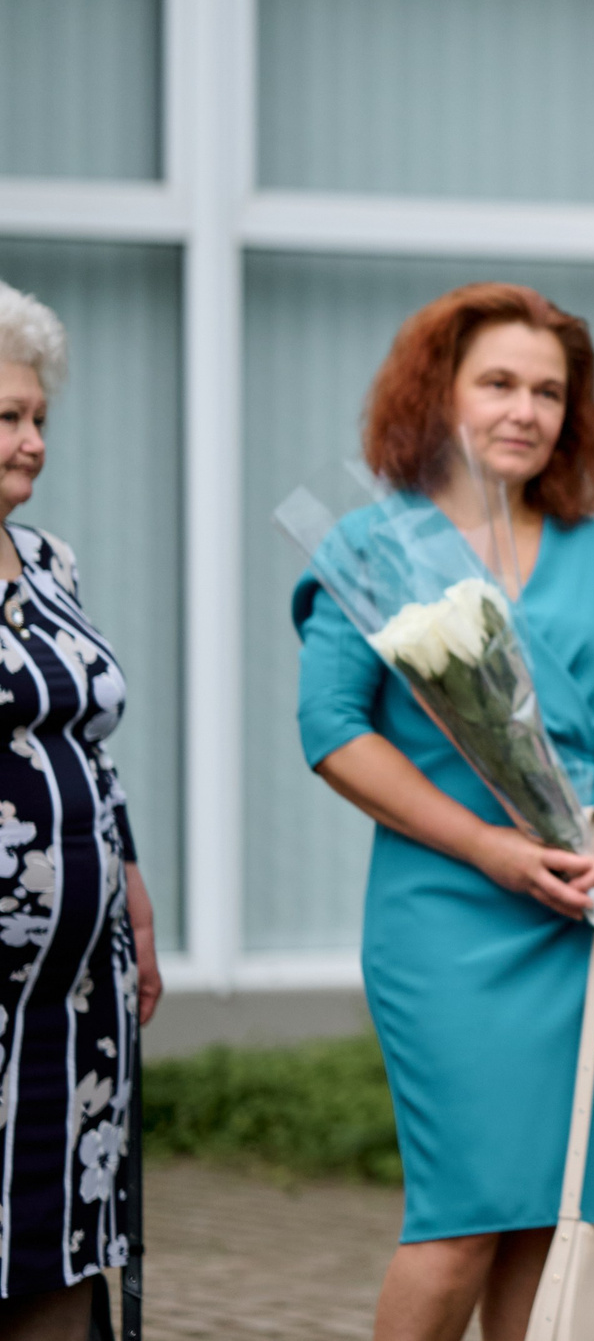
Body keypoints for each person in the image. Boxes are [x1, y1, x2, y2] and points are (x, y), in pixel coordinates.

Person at [295, 284, 594, 1341]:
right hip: (451, 918)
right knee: (461, 1222)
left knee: (555, 1228)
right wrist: (494, 846)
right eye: (498, 383)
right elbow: (331, 729)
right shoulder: (372, 548)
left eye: (549, 390)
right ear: (438, 394)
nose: (526, 408)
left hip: (591, 921)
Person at [0, 283, 159, 1340]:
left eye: (38, 417)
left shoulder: (50, 562)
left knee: (60, 1236)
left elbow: (87, 751)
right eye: (5, 417)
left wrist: (133, 890)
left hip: (74, 1001)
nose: (30, 440)